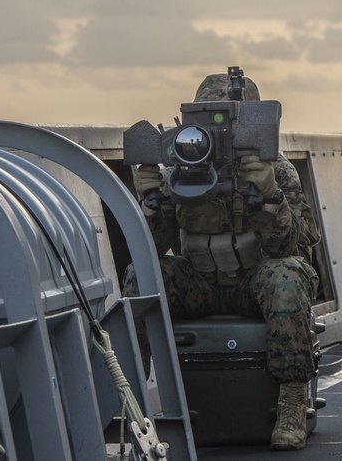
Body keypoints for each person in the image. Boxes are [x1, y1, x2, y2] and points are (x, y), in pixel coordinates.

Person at [121, 72, 321, 452]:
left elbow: (287, 246)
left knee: (286, 277)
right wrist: (149, 202)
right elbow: (152, 249)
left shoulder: (276, 170)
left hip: (254, 283)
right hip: (200, 283)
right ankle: (132, 403)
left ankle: (291, 403)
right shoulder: (177, 170)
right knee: (142, 277)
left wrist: (269, 195)